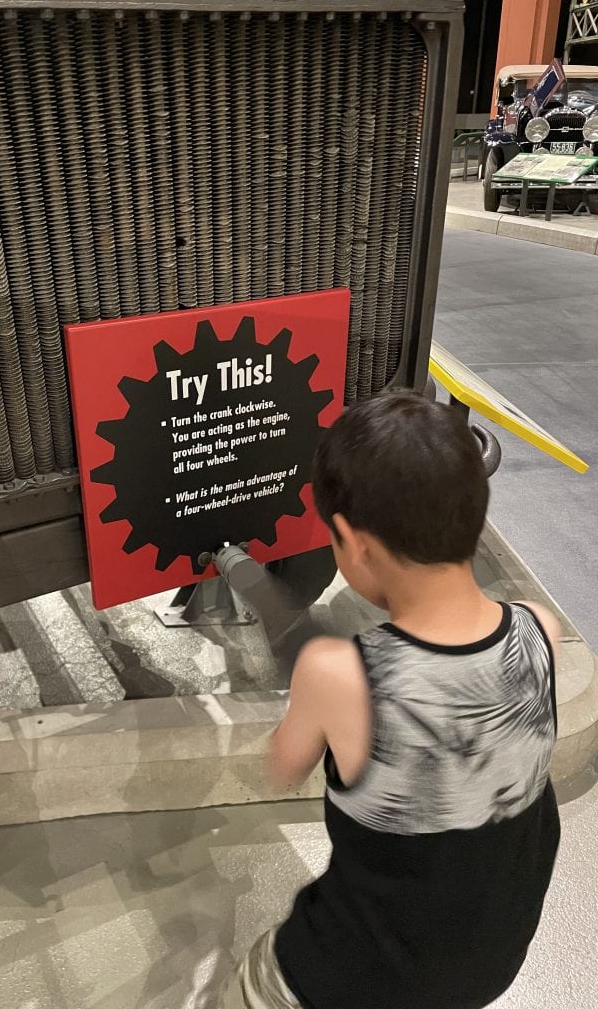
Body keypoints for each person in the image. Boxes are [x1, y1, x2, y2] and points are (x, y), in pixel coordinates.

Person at [218, 390, 561, 1009]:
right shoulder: (540, 628)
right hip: (491, 960)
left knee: (252, 983)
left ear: (353, 542)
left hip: (359, 975)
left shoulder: (339, 674)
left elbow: (279, 766)